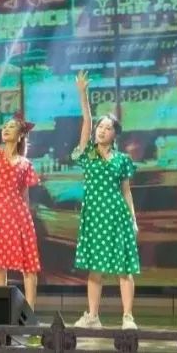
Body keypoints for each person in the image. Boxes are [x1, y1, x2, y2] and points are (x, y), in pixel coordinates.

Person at [70, 71, 140, 330]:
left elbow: (126, 191)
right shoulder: (87, 153)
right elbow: (86, 121)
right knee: (95, 269)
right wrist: (83, 94)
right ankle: (93, 316)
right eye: (100, 127)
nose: (101, 130)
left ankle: (128, 317)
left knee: (124, 267)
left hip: (117, 215)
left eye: (107, 128)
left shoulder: (122, 160)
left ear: (115, 134)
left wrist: (133, 219)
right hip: (94, 216)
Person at [0, 76, 41, 310]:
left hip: (19, 217)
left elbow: (25, 197)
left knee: (28, 266)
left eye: (11, 127)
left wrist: (27, 221)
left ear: (21, 134)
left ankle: (29, 312)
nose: (5, 129)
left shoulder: (25, 163)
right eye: (5, 126)